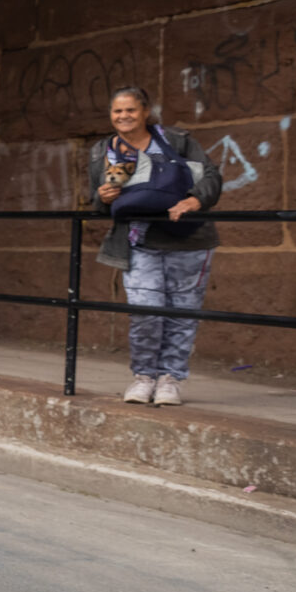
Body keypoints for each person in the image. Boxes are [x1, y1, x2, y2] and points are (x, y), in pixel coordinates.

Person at [87, 85, 221, 406]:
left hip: (188, 238)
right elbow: (99, 202)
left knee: (182, 314)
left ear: (145, 112)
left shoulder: (175, 141)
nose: (124, 116)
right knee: (145, 312)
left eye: (131, 110)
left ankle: (170, 379)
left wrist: (193, 200)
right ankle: (144, 376)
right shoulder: (103, 151)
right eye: (117, 111)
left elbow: (211, 176)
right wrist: (102, 198)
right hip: (138, 241)